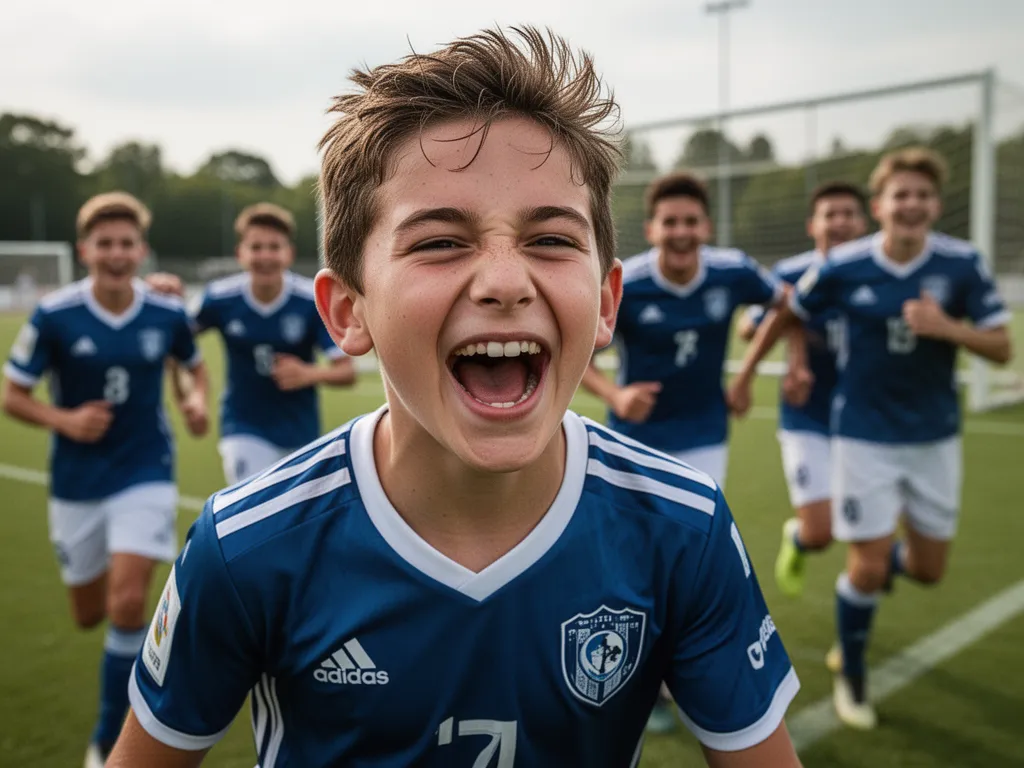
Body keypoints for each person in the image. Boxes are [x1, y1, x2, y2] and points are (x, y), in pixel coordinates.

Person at [110, 27, 802, 767]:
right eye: (440, 242)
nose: (505, 281)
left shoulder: (684, 531)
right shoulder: (248, 545)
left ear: (606, 303)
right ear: (348, 310)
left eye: (552, 240)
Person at [728, 147, 1013, 730]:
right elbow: (787, 311)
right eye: (899, 195)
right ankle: (851, 674)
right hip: (860, 435)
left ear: (937, 204)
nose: (911, 205)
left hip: (935, 436)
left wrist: (946, 328)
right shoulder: (843, 266)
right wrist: (751, 371)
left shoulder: (962, 265)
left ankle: (873, 570)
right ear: (879, 206)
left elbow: (1002, 346)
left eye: (922, 195)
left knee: (930, 570)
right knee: (865, 565)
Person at [1, 192, 209, 768]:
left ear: (141, 250)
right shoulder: (54, 315)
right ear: (84, 250)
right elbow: (12, 396)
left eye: (127, 243)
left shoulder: (166, 312)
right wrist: (63, 418)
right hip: (76, 481)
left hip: (146, 470)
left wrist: (193, 402)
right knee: (89, 612)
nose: (117, 254)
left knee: (126, 602)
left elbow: (191, 366)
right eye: (105, 243)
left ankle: (104, 741)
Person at [580, 172, 783, 491]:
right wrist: (616, 396)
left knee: (696, 535)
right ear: (651, 230)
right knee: (639, 538)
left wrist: (746, 377)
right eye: (670, 222)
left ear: (707, 227)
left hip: (705, 433)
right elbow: (577, 353)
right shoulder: (627, 286)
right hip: (635, 435)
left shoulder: (732, 272)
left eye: (691, 221)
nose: (681, 232)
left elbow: (785, 304)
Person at [735, 182, 869, 598]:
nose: (840, 222)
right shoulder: (791, 274)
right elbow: (747, 326)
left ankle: (854, 620)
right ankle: (798, 537)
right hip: (805, 414)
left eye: (849, 214)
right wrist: (794, 338)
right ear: (814, 225)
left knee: (867, 536)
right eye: (831, 214)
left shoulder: (876, 271)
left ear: (863, 223)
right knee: (819, 533)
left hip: (866, 417)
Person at [175, 203, 355, 484]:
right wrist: (190, 395)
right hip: (242, 426)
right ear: (240, 254)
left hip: (300, 433)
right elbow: (173, 338)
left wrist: (308, 374)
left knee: (294, 523)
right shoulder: (220, 298)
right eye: (256, 247)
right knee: (250, 505)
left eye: (274, 247)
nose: (265, 256)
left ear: (289, 254)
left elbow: (346, 371)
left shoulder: (310, 301)